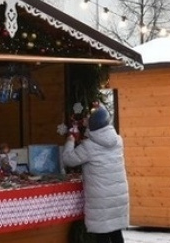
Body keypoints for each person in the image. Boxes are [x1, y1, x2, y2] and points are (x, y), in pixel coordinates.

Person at [62, 104, 129, 243]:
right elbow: (102, 122)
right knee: (116, 234)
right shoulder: (118, 140)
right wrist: (100, 109)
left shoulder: (89, 147)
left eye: (88, 120)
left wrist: (70, 140)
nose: (86, 122)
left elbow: (68, 159)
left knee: (102, 236)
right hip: (118, 196)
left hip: (101, 199)